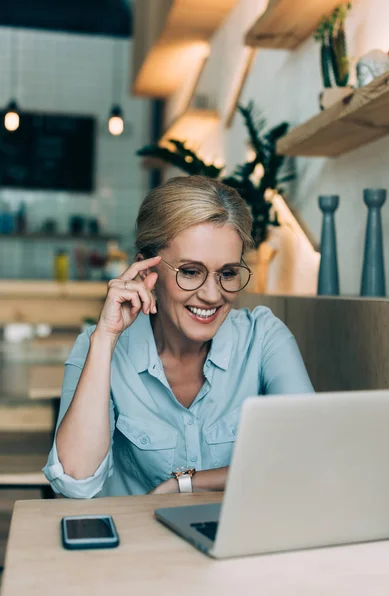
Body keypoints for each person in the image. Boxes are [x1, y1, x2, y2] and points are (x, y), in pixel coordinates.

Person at [43, 175, 314, 499]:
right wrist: (105, 339)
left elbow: (309, 457)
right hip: (137, 544)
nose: (212, 295)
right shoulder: (98, 345)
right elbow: (76, 482)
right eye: (190, 271)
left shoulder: (265, 340)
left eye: (227, 273)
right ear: (146, 271)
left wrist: (189, 482)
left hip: (236, 542)